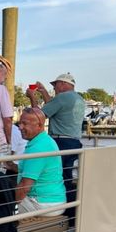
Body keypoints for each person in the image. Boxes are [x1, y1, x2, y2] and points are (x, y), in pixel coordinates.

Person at [26, 73, 85, 220]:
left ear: (63, 84)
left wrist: (32, 97)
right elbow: (54, 108)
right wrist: (44, 92)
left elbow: (38, 116)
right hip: (74, 142)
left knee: (57, 178)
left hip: (61, 142)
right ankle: (71, 213)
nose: (55, 88)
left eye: (55, 85)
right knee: (67, 177)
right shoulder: (78, 98)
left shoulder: (63, 97)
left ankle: (61, 211)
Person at [9, 107, 66, 216]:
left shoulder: (38, 148)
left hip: (43, 203)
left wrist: (8, 203)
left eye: (25, 124)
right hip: (54, 199)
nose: (20, 127)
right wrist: (11, 166)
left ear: (39, 126)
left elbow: (24, 188)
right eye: (20, 123)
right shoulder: (45, 140)